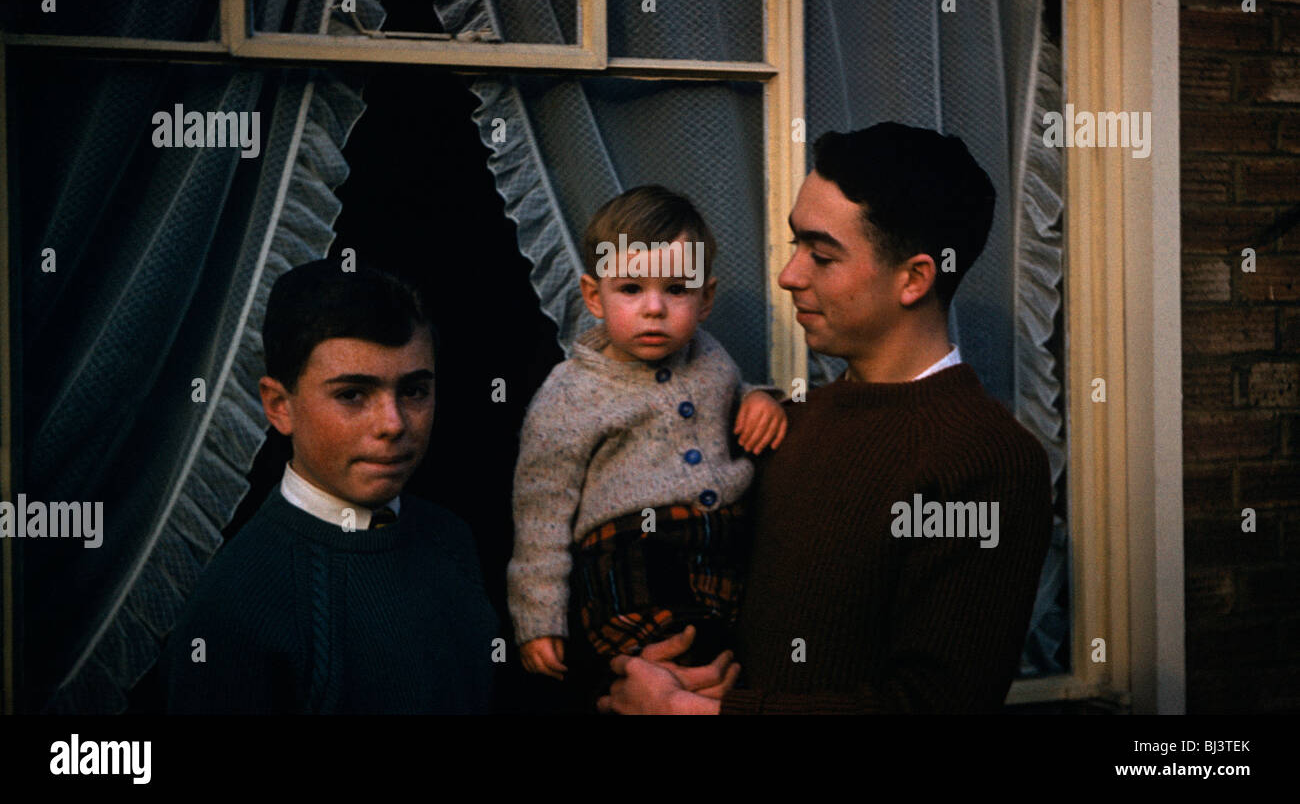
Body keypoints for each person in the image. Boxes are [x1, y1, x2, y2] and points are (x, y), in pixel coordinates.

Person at [600, 123, 1054, 714]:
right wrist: (657, 667)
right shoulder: (783, 426)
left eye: (821, 255)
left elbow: (935, 705)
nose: (790, 275)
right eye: (796, 247)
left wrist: (699, 715)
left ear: (914, 278)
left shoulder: (986, 461)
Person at [160, 260, 497, 713]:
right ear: (280, 406)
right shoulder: (237, 607)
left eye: (414, 390)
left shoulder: (452, 538)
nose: (393, 424)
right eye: (352, 395)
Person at [507, 186, 787, 693]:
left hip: (719, 552)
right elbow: (540, 514)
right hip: (630, 561)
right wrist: (538, 616)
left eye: (677, 290)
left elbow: (725, 394)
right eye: (631, 289)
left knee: (731, 663)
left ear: (706, 298)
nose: (654, 308)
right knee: (663, 668)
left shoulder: (710, 356)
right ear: (594, 296)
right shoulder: (570, 394)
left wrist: (759, 398)